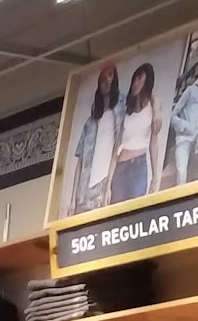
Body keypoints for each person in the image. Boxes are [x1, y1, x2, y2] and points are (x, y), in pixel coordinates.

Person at [107, 62, 163, 206]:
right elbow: (116, 149)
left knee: (136, 209)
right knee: (116, 212)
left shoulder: (153, 104)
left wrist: (155, 177)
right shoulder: (126, 111)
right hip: (120, 167)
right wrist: (108, 185)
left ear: (147, 82)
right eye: (134, 80)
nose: (135, 83)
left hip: (139, 166)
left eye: (139, 79)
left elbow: (154, 143)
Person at [69, 65, 121, 216]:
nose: (106, 81)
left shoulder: (119, 114)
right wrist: (73, 200)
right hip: (84, 194)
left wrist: (109, 186)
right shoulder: (90, 122)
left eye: (110, 75)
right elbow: (80, 162)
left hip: (103, 189)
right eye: (103, 78)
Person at [168, 59, 198, 186]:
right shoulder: (190, 90)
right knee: (182, 171)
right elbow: (173, 115)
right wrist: (185, 126)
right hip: (184, 137)